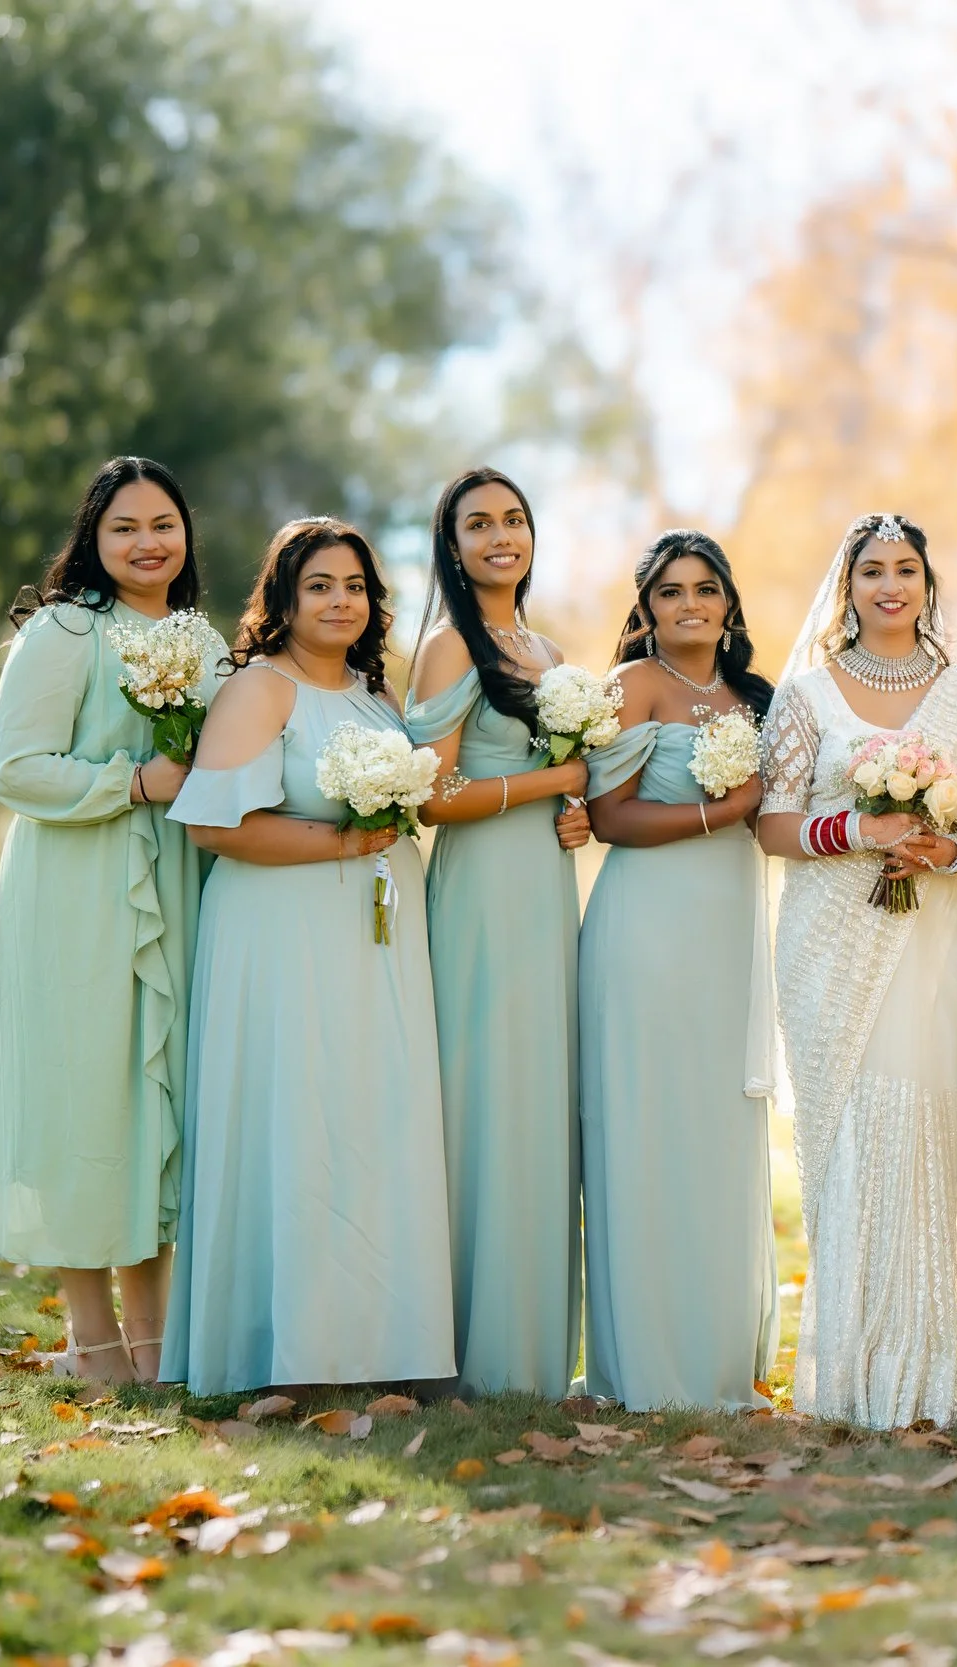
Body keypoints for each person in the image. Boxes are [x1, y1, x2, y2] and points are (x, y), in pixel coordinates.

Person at [161, 518, 453, 1394]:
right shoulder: (262, 688)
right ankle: (283, 1347)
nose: (340, 600)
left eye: (356, 585)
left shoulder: (376, 699)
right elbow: (216, 825)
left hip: (376, 939)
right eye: (320, 584)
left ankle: (378, 1341)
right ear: (283, 598)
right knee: (296, 1118)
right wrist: (341, 845)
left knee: (372, 1119)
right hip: (283, 940)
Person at [0, 457, 215, 1384]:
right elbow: (14, 767)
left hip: (173, 891)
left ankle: (155, 1344)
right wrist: (134, 782)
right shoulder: (68, 629)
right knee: (86, 1097)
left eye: (164, 524)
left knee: (156, 1100)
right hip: (76, 891)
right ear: (94, 540)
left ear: (186, 534)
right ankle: (92, 1339)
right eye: (125, 527)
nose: (148, 543)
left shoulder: (202, 640)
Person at [756, 512, 957, 1428]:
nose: (890, 585)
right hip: (826, 943)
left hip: (928, 942)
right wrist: (861, 829)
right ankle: (847, 1376)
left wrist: (943, 848)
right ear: (848, 585)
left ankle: (919, 1372)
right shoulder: (809, 696)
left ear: (926, 583)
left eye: (906, 569)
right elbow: (773, 823)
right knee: (847, 1139)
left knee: (916, 1126)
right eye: (872, 571)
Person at [578, 529, 778, 1411]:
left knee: (716, 1125)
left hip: (729, 928)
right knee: (647, 1124)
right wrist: (720, 810)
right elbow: (609, 814)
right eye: (669, 592)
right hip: (646, 929)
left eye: (704, 589)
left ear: (728, 602)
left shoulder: (757, 698)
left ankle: (719, 1355)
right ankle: (648, 1363)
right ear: (647, 608)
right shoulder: (632, 688)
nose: (689, 604)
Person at [403, 467, 593, 1396]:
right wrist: (544, 789)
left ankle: (533, 1351)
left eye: (514, 519)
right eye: (478, 524)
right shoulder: (448, 649)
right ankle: (471, 1347)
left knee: (539, 1095)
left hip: (545, 889)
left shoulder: (550, 649)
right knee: (482, 1096)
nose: (500, 536)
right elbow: (431, 796)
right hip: (479, 893)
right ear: (452, 544)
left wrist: (577, 812)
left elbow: (573, 777)